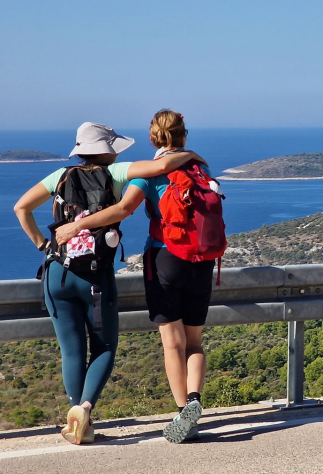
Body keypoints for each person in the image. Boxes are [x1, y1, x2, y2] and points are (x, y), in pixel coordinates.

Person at [13, 122, 201, 445]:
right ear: (104, 150)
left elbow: (21, 208)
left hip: (57, 275)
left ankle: (79, 419)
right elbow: (160, 165)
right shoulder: (116, 173)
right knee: (104, 348)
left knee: (71, 353)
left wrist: (44, 245)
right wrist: (190, 154)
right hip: (95, 280)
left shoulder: (60, 176)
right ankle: (85, 408)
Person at [54, 110, 219, 444]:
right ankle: (194, 401)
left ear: (153, 139)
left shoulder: (147, 174)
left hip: (164, 259)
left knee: (172, 343)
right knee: (195, 342)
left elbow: (121, 210)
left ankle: (180, 412)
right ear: (184, 135)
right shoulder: (201, 168)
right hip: (202, 260)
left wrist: (76, 225)